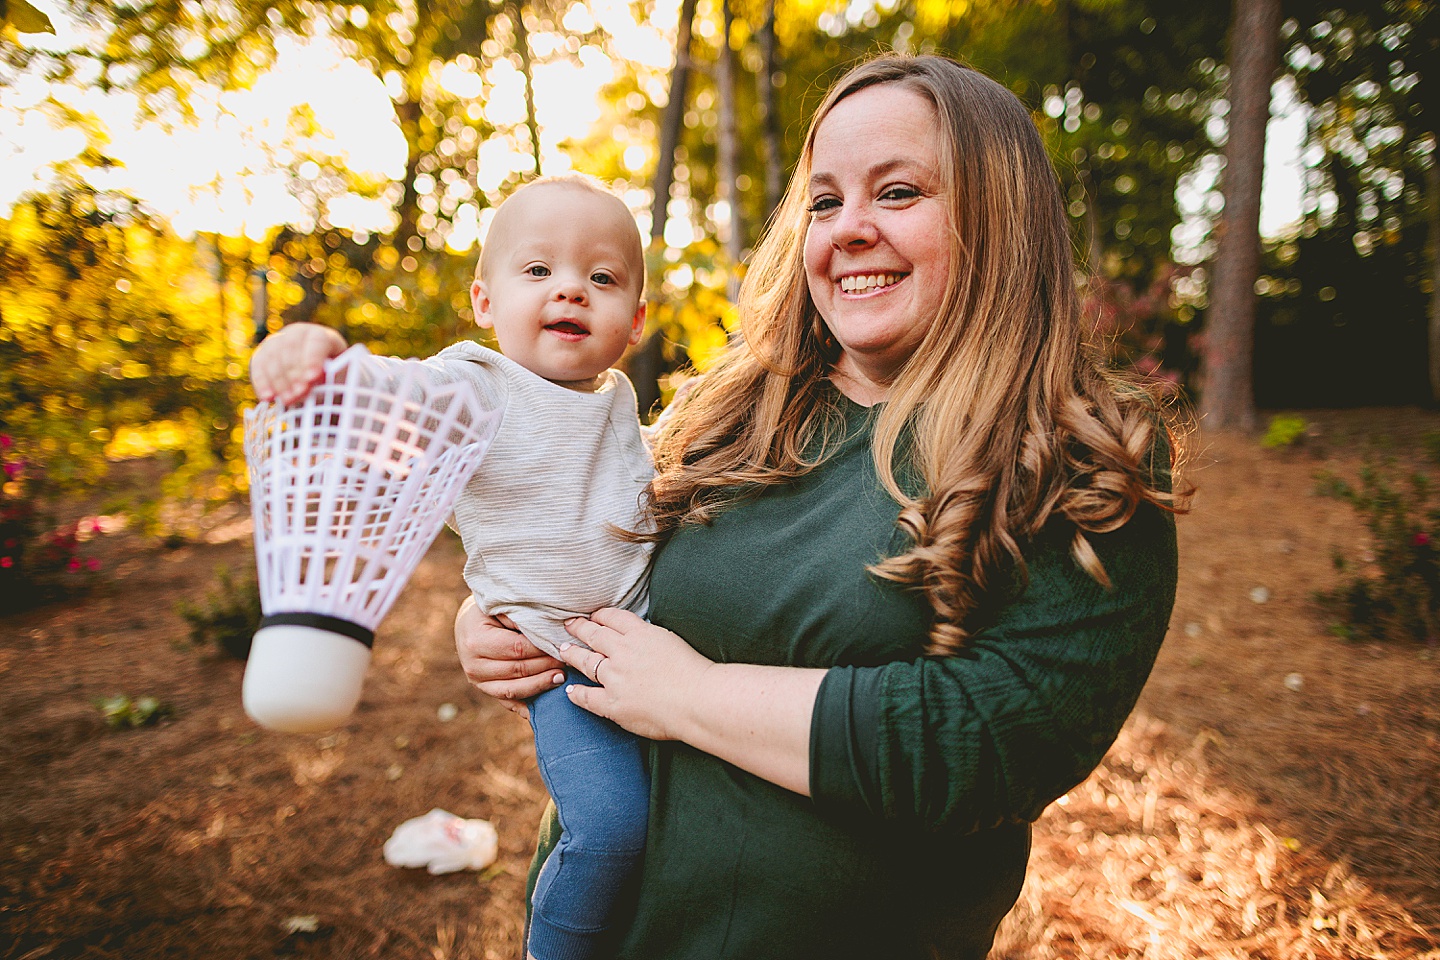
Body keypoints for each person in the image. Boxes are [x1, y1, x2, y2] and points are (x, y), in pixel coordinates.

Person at [457, 53, 1186, 960]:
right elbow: (584, 525)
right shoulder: (735, 409)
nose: (850, 229)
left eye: (900, 191)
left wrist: (694, 696)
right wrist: (494, 615)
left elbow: (998, 741)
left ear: (1001, 216)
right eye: (826, 200)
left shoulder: (1075, 449)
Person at [250, 175, 656, 960]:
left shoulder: (617, 400)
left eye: (601, 278)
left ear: (634, 320)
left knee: (663, 820)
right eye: (538, 271)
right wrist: (312, 355)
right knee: (610, 829)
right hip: (557, 665)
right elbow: (383, 394)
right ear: (483, 302)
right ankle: (555, 949)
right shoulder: (476, 384)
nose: (571, 287)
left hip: (646, 647)